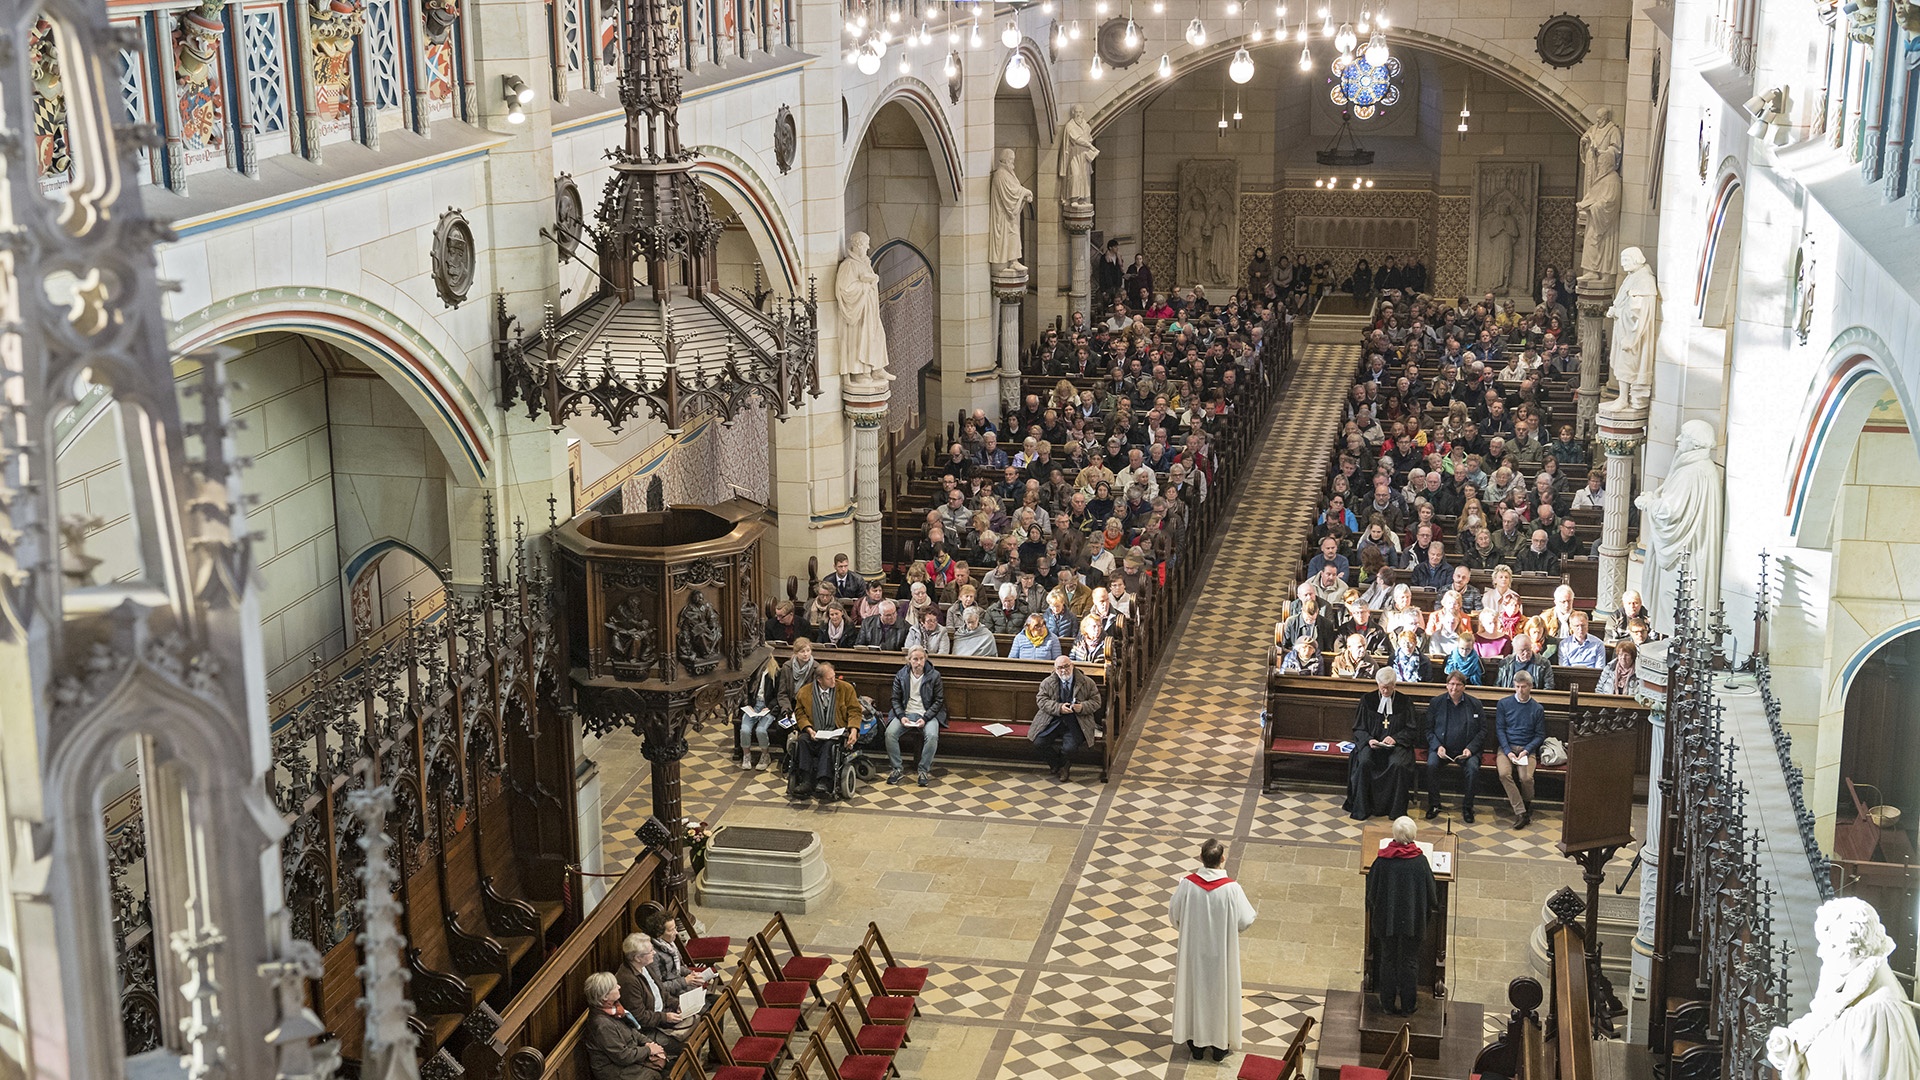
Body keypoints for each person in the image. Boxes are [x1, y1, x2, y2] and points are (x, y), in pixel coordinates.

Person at [1764, 897, 1920, 1080]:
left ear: (1859, 950)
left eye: (1832, 945)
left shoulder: (1875, 1012)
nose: (1821, 952)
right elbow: (1823, 1023)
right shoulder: (1853, 981)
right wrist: (1791, 1046)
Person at [1169, 839, 1258, 1062]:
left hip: (1194, 952)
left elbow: (1174, 915)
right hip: (1222, 954)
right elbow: (1246, 919)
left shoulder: (1187, 885)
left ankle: (1196, 1046)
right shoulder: (1231, 889)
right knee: (1220, 995)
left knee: (1195, 992)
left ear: (1201, 858)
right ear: (1222, 859)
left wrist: (1189, 929)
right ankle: (1219, 1047)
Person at [1366, 816, 1437, 1017]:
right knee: (1410, 961)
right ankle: (1408, 1005)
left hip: (1386, 921)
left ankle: (1387, 1005)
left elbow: (1371, 892)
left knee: (1387, 959)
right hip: (1412, 922)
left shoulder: (1382, 861)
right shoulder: (1421, 862)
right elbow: (1432, 895)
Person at [1344, 669, 1416, 821]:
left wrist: (1395, 738)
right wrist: (1369, 740)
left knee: (1398, 764)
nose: (1385, 690)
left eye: (1388, 687)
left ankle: (1394, 810)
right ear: (1377, 684)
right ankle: (1363, 808)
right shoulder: (1367, 700)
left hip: (1397, 746)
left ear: (1394, 685)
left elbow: (1411, 729)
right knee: (1363, 762)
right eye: (1382, 687)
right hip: (1371, 745)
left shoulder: (1404, 702)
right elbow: (1359, 728)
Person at [790, 662, 860, 800]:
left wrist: (853, 730)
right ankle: (806, 780)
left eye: (834, 677)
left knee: (829, 745)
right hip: (814, 731)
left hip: (835, 731)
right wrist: (809, 729)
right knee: (802, 741)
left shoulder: (846, 689)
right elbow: (800, 713)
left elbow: (855, 711)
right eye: (830, 678)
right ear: (819, 680)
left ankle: (824, 781)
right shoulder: (804, 692)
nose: (834, 680)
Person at [582, 971, 668, 1080]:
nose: (619, 986)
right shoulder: (602, 1025)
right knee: (655, 1076)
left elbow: (632, 1031)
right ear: (604, 997)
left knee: (665, 1060)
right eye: (614, 986)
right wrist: (648, 1050)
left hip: (629, 1057)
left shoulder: (615, 1009)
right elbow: (622, 1056)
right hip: (615, 1071)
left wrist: (650, 1043)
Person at [615, 933, 695, 1050]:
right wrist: (665, 1017)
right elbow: (640, 1017)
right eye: (650, 951)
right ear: (637, 958)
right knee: (687, 1045)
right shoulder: (628, 980)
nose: (654, 952)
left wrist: (676, 1003)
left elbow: (661, 992)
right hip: (650, 1028)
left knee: (699, 1019)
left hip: (661, 1013)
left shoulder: (645, 966)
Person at [1424, 671, 1484, 822]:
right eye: (1451, 684)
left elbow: (1483, 730)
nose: (1454, 688)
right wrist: (1437, 746)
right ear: (1446, 685)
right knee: (1431, 765)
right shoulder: (1436, 703)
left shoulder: (1475, 704)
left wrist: (1471, 748)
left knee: (1473, 769)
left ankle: (1467, 807)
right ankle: (1434, 804)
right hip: (1442, 749)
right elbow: (1428, 729)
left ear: (1464, 687)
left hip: (1467, 750)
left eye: (1458, 685)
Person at [1031, 654, 1101, 781]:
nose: (1063, 670)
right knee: (1039, 742)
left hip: (1077, 720)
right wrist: (1059, 708)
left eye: (1066, 666)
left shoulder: (1087, 682)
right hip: (1053, 719)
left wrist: (1082, 707)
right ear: (1055, 669)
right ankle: (1057, 763)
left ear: (1072, 666)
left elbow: (1096, 701)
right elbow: (1041, 700)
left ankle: (1064, 766)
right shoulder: (1048, 682)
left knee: (1070, 748)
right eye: (1059, 668)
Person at [885, 646, 946, 786]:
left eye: (921, 659)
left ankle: (923, 769)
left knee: (932, 736)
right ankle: (897, 768)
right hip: (906, 713)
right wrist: (901, 716)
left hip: (927, 714)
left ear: (926, 659)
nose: (919, 662)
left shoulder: (934, 675)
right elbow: (895, 699)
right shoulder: (901, 675)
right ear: (909, 660)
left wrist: (925, 718)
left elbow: (939, 701)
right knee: (890, 733)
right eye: (915, 659)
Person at [1495, 672, 1546, 828]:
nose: (1520, 690)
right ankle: (1521, 812)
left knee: (1526, 778)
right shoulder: (1504, 704)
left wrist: (1527, 750)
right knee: (1504, 774)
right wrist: (1507, 751)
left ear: (1530, 687)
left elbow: (1540, 735)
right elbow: (1500, 729)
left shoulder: (1537, 708)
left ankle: (1526, 803)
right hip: (1506, 747)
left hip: (1526, 749)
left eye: (1523, 687)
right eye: (1517, 687)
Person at [738, 654, 782, 770]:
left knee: (761, 730)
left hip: (767, 707)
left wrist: (770, 707)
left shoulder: (775, 673)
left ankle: (765, 755)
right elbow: (744, 692)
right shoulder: (752, 672)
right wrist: (747, 705)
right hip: (753, 706)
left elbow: (779, 695)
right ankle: (746, 755)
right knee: (745, 729)